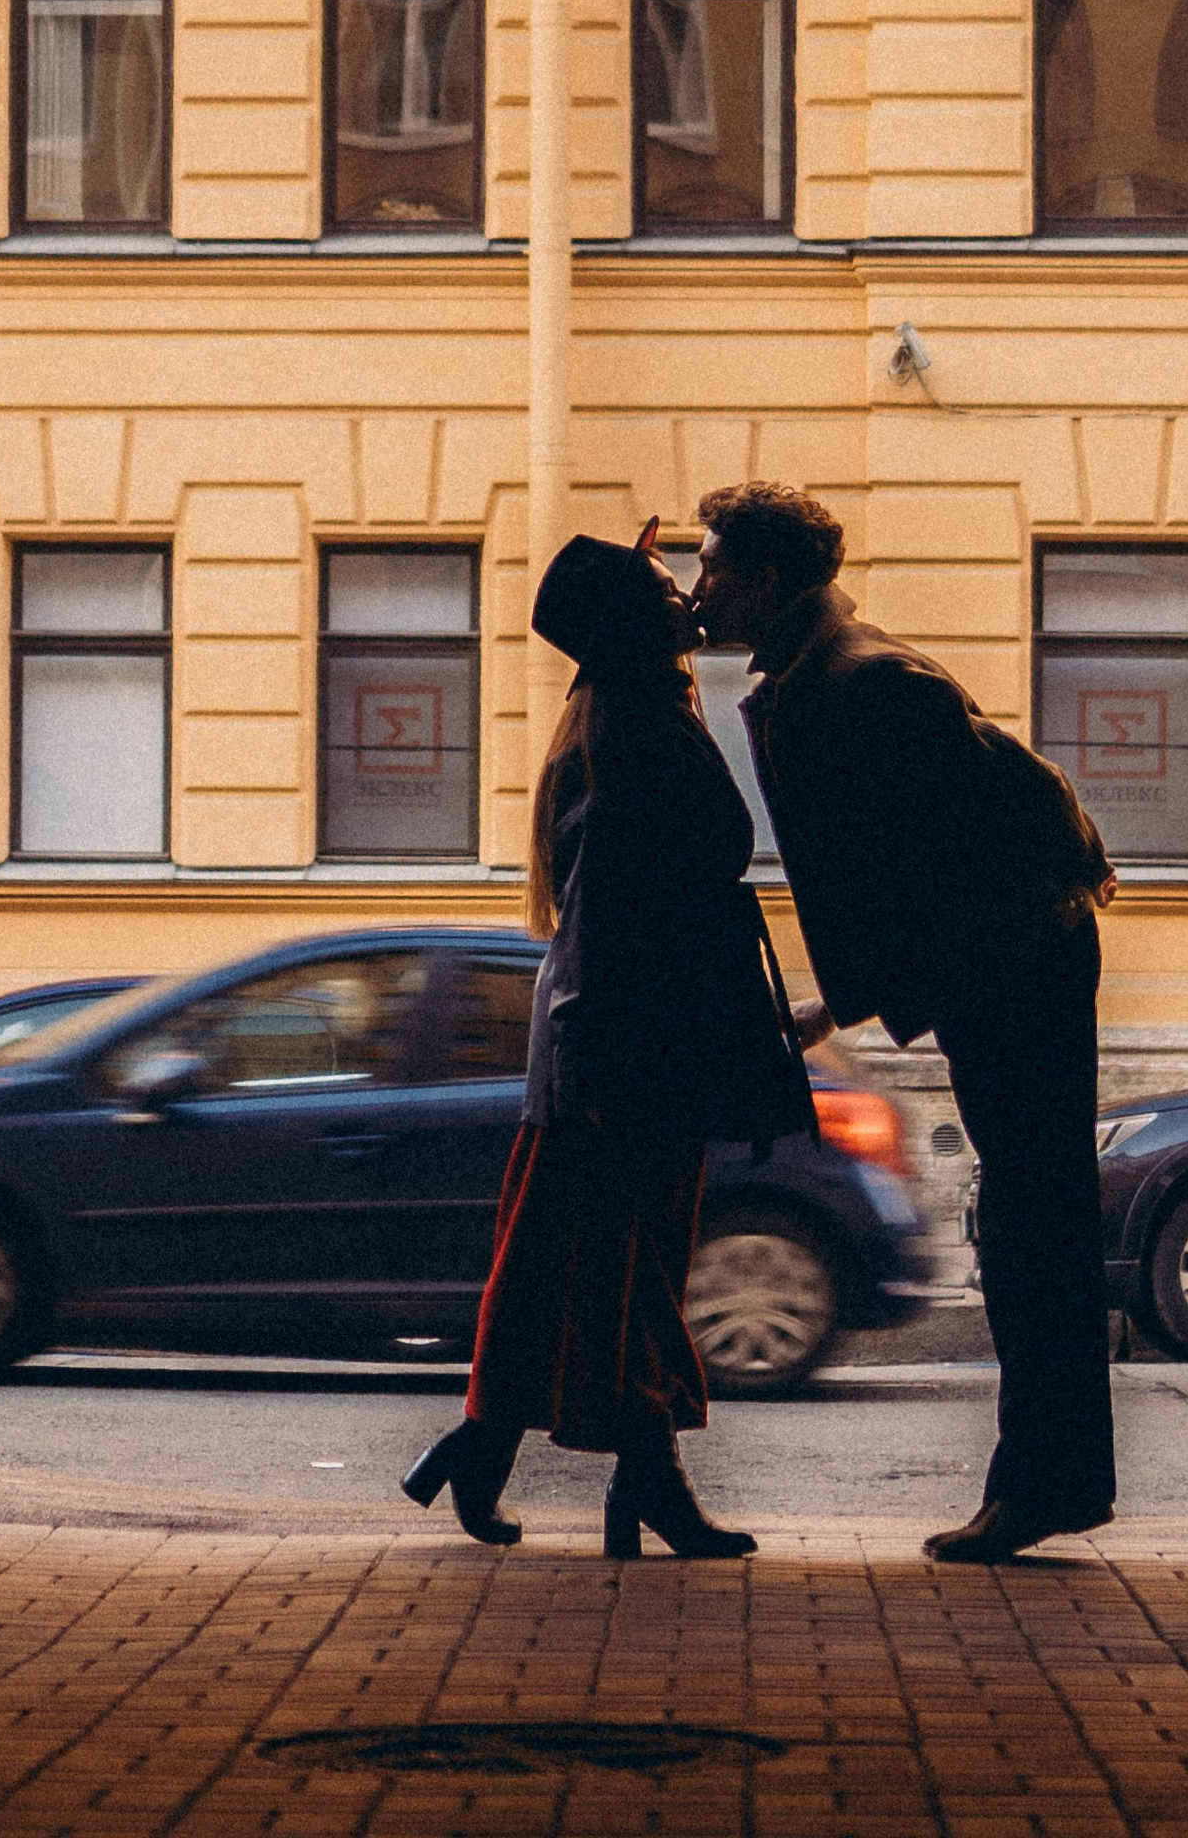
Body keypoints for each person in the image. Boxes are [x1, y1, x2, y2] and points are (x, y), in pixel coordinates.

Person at [693, 479, 1120, 1564]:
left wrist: (845, 997)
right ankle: (1044, 1482)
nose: (698, 586)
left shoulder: (867, 679)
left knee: (1036, 1232)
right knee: (1028, 1225)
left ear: (770, 577)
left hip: (1018, 964)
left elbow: (993, 822)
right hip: (999, 964)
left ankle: (1046, 1483)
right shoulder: (825, 672)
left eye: (712, 566)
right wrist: (836, 999)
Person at [403, 523, 812, 1557]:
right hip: (624, 1050)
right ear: (631, 620)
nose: (682, 593)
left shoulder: (629, 710)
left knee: (600, 1269)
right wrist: (594, 1058)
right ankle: (621, 1479)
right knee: (617, 1271)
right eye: (660, 585)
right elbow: (614, 910)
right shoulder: (632, 725)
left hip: (627, 1044)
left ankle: (508, 1453)